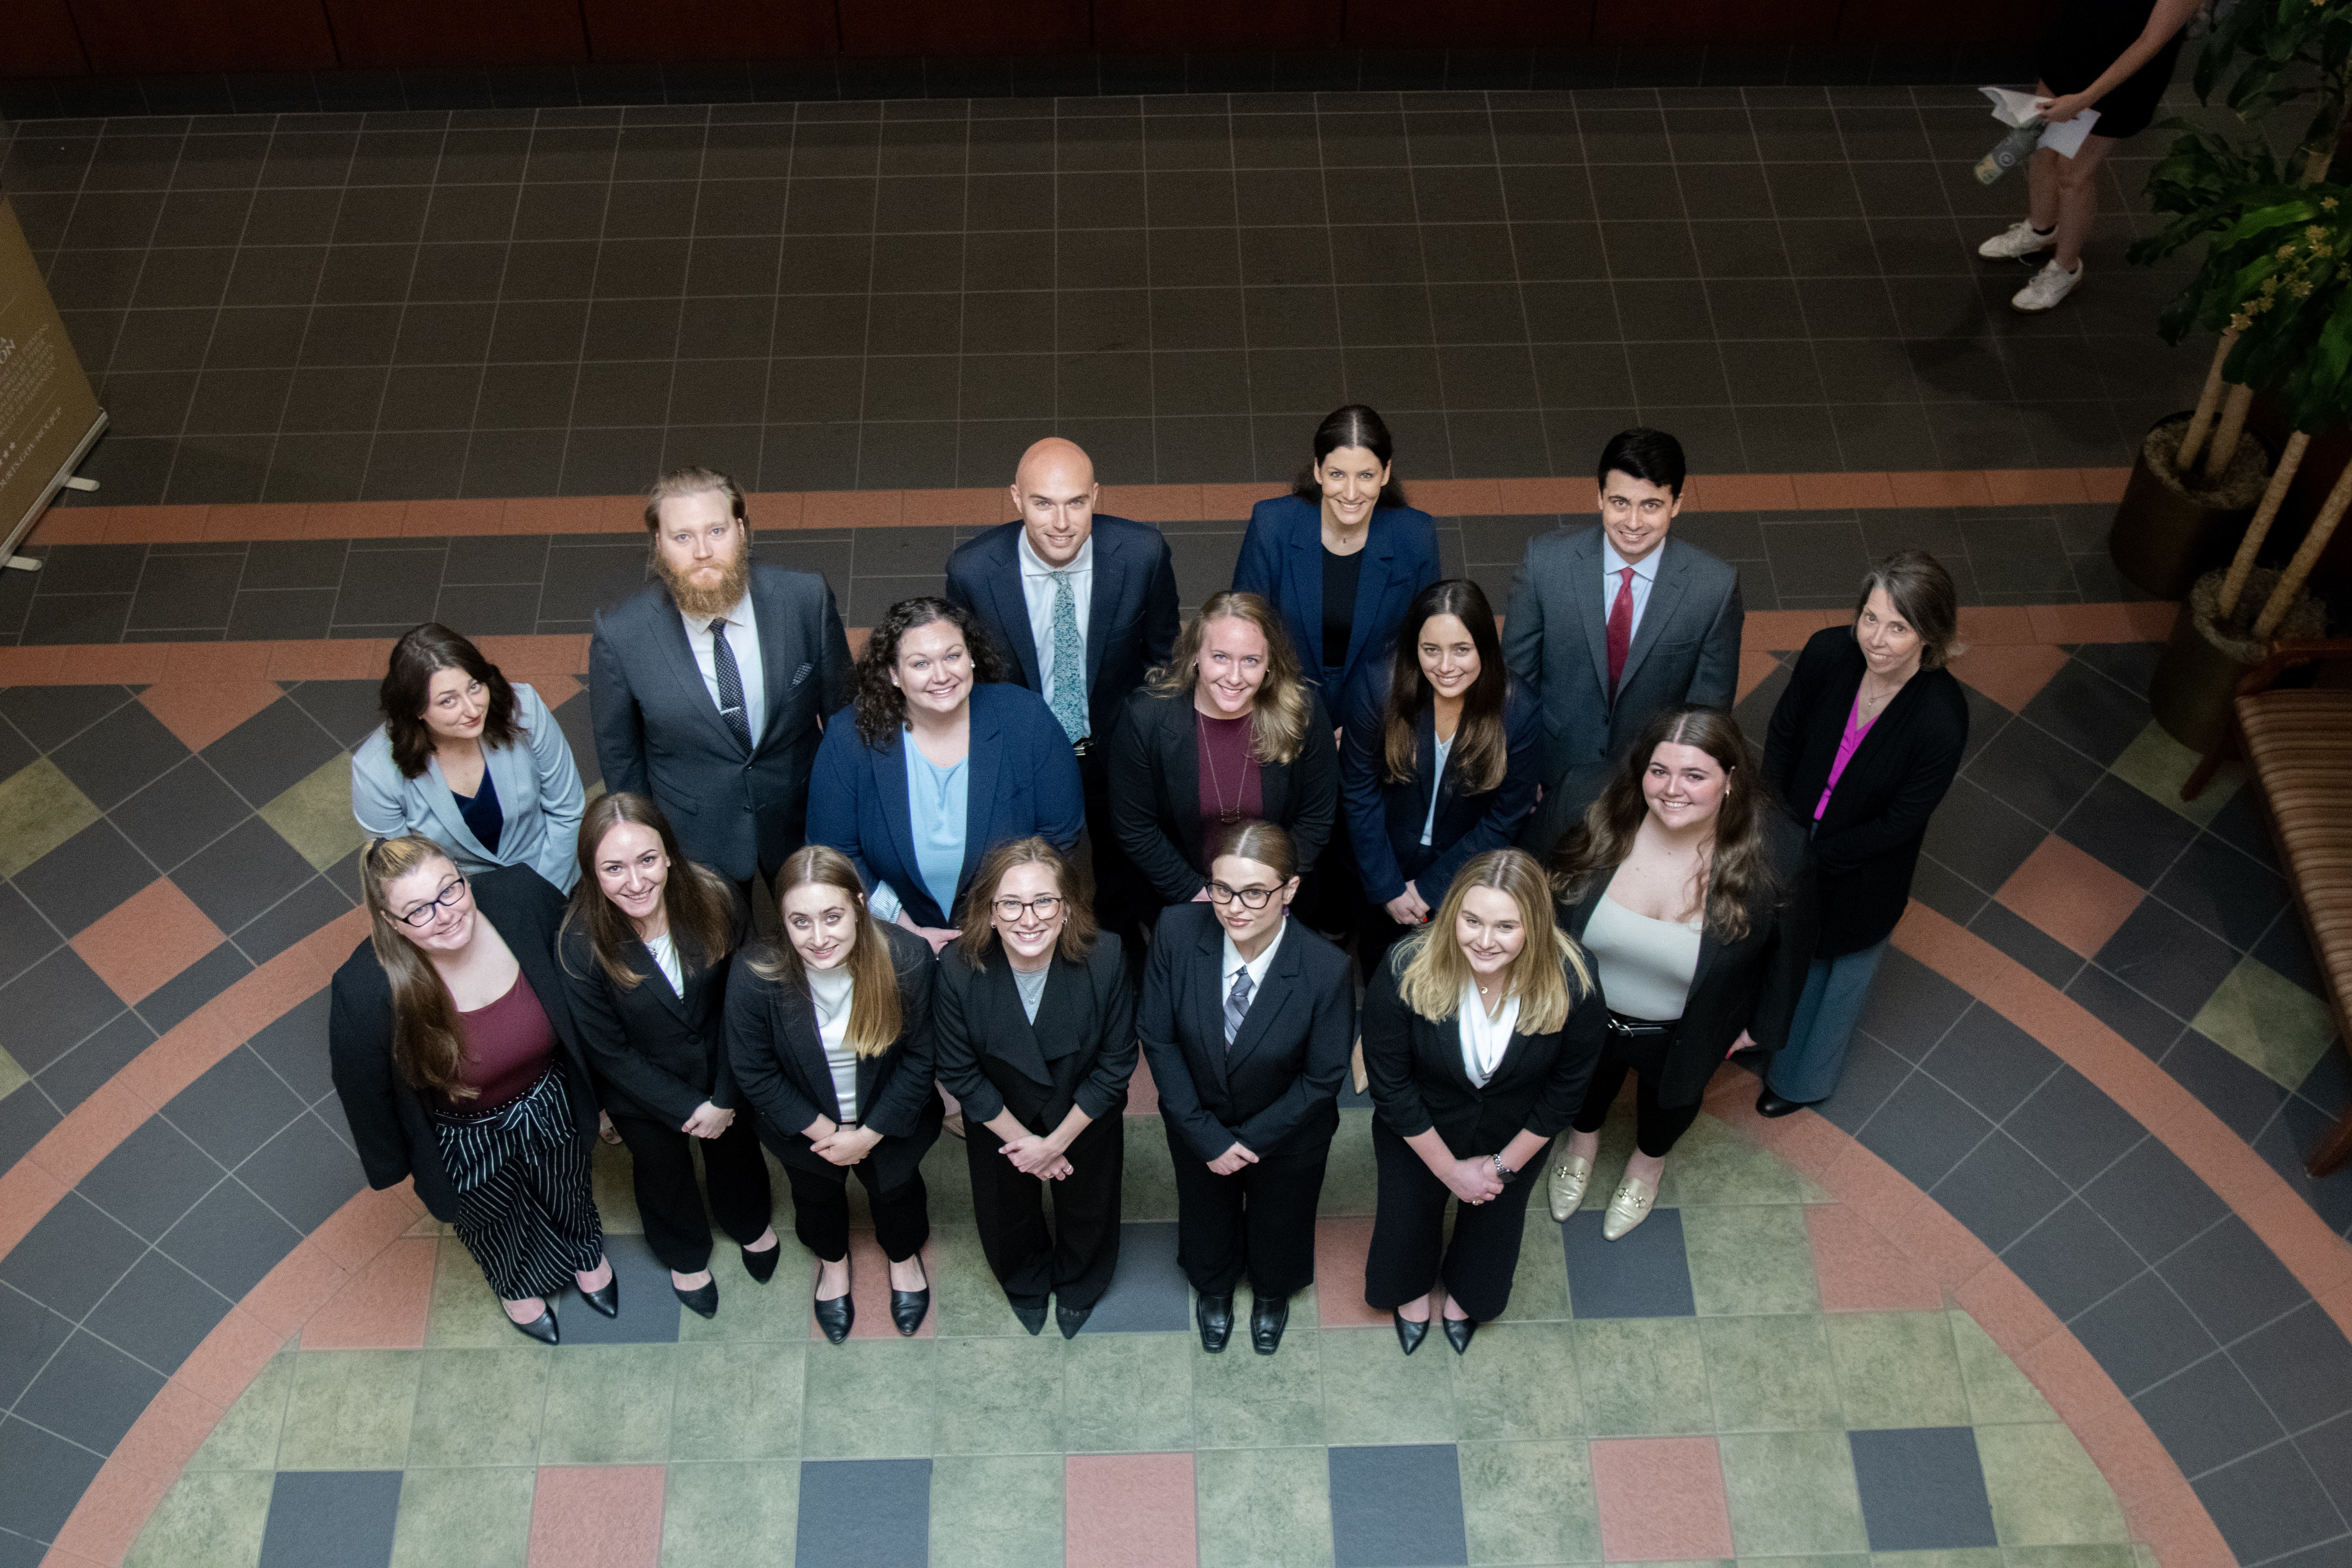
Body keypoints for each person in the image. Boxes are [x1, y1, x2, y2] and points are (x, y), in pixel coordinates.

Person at [1544, 707, 1816, 1239]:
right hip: (1585, 1011)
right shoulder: (1585, 802)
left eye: (1695, 776)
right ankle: (1580, 1144)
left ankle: (1647, 1166)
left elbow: (1791, 953)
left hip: (1688, 1026)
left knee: (1671, 1102)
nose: (1673, 790)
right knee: (1583, 1086)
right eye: (1659, 772)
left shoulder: (1779, 849)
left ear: (1730, 780)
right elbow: (1529, 889)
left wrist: (1762, 1027)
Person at [329, 838, 614, 1345]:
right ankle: (517, 1285)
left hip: (548, 1097)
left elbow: (583, 979)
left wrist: (609, 1091)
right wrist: (394, 1163)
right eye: (418, 911)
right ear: (390, 923)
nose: (445, 915)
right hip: (461, 1135)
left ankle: (586, 1252)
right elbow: (364, 1091)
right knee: (490, 1218)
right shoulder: (364, 986)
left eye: (450, 889)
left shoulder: (521, 896)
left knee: (568, 1182)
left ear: (463, 876)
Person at [1361, 848, 1606, 1355]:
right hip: (1419, 1129)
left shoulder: (1575, 977)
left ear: (1534, 926)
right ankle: (1409, 1292)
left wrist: (1499, 1168)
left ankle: (1467, 1296)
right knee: (1407, 1215)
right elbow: (1391, 1085)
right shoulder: (1405, 965)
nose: (1485, 941)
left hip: (1518, 1134)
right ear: (1453, 915)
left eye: (1506, 927)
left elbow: (1566, 1092)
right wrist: (1451, 1171)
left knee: (1495, 1224)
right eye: (1472, 921)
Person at [944, 436, 1182, 954]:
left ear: (1096, 496)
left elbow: (1164, 659)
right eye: (1042, 503)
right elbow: (971, 680)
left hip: (1115, 746)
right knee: (1029, 875)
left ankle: (1127, 960)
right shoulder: (974, 572)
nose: (1061, 522)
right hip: (1025, 754)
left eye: (1076, 502)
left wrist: (1149, 740)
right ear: (1015, 499)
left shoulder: (1142, 554)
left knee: (1124, 869)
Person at [1758, 553, 1969, 1115]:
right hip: (1791, 833)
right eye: (1870, 618)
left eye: (1899, 628)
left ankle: (1797, 1082)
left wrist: (1815, 855)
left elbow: (1902, 821)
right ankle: (1754, 1038)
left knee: (1833, 974)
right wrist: (1777, 823)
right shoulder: (1830, 652)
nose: (1876, 639)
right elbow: (1781, 736)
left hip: (1862, 871)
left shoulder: (1942, 717)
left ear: (1930, 636)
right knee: (1773, 949)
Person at [558, 792, 779, 1318]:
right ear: (592, 873)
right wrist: (687, 1108)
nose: (635, 883)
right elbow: (609, 1051)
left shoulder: (717, 896)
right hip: (643, 1090)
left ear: (670, 854)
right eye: (613, 868)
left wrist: (725, 1095)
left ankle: (748, 1221)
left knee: (737, 1150)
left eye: (647, 860)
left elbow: (746, 1004)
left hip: (725, 1070)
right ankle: (684, 1250)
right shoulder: (579, 943)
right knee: (662, 1169)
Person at [1136, 821, 1354, 1356]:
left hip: (1288, 1132)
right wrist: (1205, 1135)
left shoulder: (1325, 969)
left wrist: (1251, 1143)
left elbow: (1323, 1078)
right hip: (1197, 1120)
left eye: (1255, 892)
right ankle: (1213, 1287)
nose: (1235, 907)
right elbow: (1158, 1038)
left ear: (1290, 891)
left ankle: (1271, 1293)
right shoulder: (1177, 931)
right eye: (1222, 888)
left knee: (1282, 1214)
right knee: (1205, 1208)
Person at [589, 465, 855, 895]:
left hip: (800, 813)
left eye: (716, 531)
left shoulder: (804, 599)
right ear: (658, 544)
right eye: (682, 537)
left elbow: (845, 718)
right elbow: (621, 759)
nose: (702, 551)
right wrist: (648, 844)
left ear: (743, 529)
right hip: (695, 833)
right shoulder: (621, 633)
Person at [1234, 404, 1442, 930]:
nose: (1352, 492)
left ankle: (1345, 925)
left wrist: (1370, 718)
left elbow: (1420, 642)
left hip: (1370, 716)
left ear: (1387, 474)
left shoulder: (1414, 535)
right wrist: (1301, 716)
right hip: (1286, 709)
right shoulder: (1275, 523)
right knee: (1289, 822)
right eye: (1339, 474)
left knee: (1359, 828)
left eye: (1367, 475)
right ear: (1318, 470)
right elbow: (1250, 627)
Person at [726, 845, 942, 1342]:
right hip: (806, 1126)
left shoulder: (906, 959)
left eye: (832, 917)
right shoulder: (756, 975)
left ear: (860, 905)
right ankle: (834, 1264)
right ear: (782, 920)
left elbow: (922, 1060)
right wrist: (829, 1135)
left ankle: (903, 1258)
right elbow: (754, 1071)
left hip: (890, 1120)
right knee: (816, 1194)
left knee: (896, 1191)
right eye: (800, 921)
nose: (819, 938)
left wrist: (866, 1137)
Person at [931, 837, 1136, 1338]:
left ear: (1066, 908)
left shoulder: (1106, 957)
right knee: (1007, 1208)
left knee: (1090, 1202)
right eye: (1012, 904)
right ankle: (1024, 1280)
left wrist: (1055, 1144)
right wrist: (1027, 1146)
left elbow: (1116, 1065)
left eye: (1044, 901)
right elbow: (959, 1073)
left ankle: (1081, 1281)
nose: (1030, 918)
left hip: (1083, 1114)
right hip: (1000, 1118)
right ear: (990, 913)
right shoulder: (958, 969)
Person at [1503, 428, 1742, 854]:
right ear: (1600, 497)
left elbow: (1706, 714)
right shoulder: (1546, 565)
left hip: (1647, 791)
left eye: (1651, 505)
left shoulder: (1714, 589)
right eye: (1620, 503)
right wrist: (1522, 777)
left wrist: (1671, 796)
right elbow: (1515, 686)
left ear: (1677, 505)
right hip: (1549, 779)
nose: (1633, 523)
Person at [806, 597, 1085, 955]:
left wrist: (1003, 915)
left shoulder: (1027, 718)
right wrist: (906, 928)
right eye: (920, 663)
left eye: (952, 656)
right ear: (894, 674)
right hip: (893, 939)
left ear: (971, 656)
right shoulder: (849, 735)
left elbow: (1060, 833)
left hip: (1013, 932)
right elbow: (836, 854)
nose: (941, 676)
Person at [1340, 579, 1543, 973]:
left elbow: (1507, 815)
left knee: (1447, 973)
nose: (1446, 667)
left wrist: (1432, 888)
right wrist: (1388, 887)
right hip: (1382, 863)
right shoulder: (1378, 687)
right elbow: (1358, 789)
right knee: (1379, 963)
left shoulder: (1519, 709)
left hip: (1463, 870)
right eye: (1431, 650)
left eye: (1462, 650)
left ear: (1484, 646)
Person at [1108, 592, 1339, 916]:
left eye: (1251, 661)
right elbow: (1135, 826)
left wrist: (1267, 893)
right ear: (1195, 657)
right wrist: (1196, 893)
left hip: (1275, 901)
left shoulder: (1304, 712)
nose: (1234, 677)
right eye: (1220, 657)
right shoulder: (1145, 717)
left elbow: (1316, 818)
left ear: (1269, 664)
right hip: (1182, 898)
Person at [1978, 0, 2199, 312]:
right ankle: (2040, 230)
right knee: (2043, 146)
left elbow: (2152, 40)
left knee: (2074, 174)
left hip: (2121, 80)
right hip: (2075, 44)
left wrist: (2085, 99)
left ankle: (2065, 269)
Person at [351, 623, 588, 893]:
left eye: (474, 686)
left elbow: (567, 812)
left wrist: (542, 897)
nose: (472, 709)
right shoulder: (375, 773)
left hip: (552, 875)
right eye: (448, 701)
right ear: (416, 709)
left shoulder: (525, 710)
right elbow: (404, 875)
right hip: (458, 901)